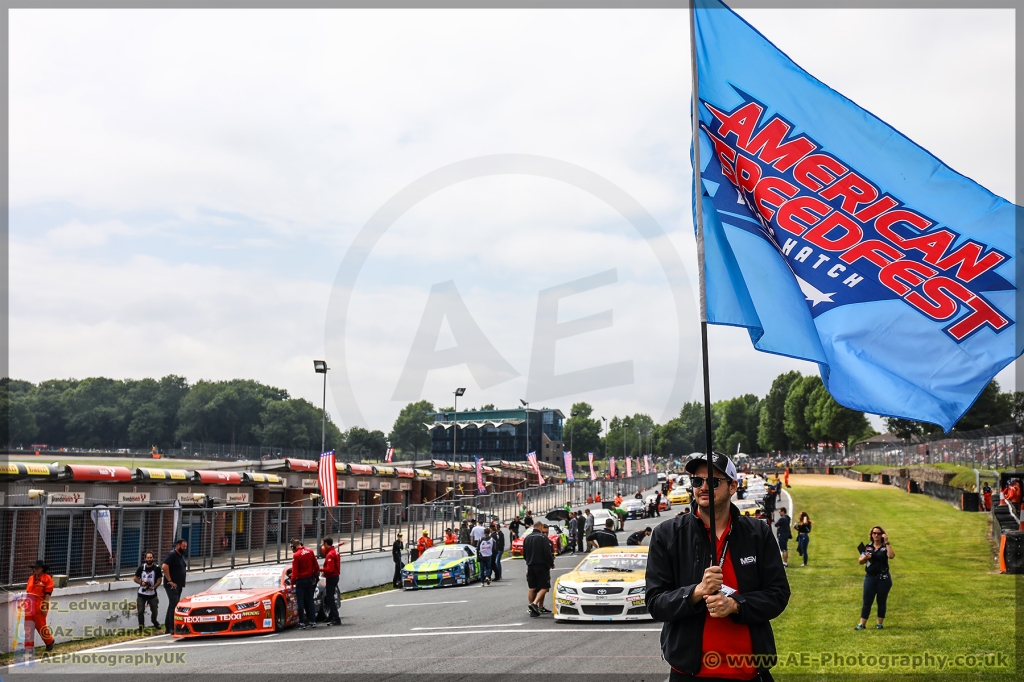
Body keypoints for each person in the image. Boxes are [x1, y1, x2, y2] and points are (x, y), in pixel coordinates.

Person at [646, 453, 790, 681]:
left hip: (749, 672)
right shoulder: (667, 535)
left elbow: (778, 595)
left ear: (732, 486)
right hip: (690, 673)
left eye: (713, 482)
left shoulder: (757, 533)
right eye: (697, 481)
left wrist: (736, 605)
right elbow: (655, 602)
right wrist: (696, 592)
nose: (703, 487)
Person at [857, 526, 895, 630]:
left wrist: (887, 542)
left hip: (884, 578)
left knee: (881, 601)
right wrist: (865, 558)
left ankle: (879, 623)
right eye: (874, 533)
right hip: (870, 577)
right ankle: (862, 624)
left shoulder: (884, 547)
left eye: (878, 533)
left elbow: (891, 556)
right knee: (867, 601)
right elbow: (860, 561)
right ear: (871, 535)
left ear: (882, 535)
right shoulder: (867, 547)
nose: (876, 535)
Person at [523, 522, 554, 617]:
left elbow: (524, 554)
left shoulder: (527, 538)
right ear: (540, 527)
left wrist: (529, 562)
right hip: (542, 565)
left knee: (532, 587)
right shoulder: (542, 537)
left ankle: (533, 609)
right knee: (545, 586)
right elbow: (547, 552)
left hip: (530, 565)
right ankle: (534, 604)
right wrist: (551, 563)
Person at [25, 560, 55, 653]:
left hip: (40, 604)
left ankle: (49, 641)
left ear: (42, 569)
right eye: (34, 568)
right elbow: (28, 592)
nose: (35, 569)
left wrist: (44, 606)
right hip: (29, 605)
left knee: (40, 625)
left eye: (37, 568)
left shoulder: (47, 579)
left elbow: (48, 593)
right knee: (28, 626)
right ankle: (28, 648)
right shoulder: (30, 578)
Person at [290, 539, 319, 629]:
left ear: (293, 547)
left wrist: (291, 582)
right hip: (310, 579)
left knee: (300, 601)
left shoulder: (296, 555)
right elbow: (316, 566)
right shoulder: (310, 551)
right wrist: (314, 577)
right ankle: (313, 621)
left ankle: (302, 622)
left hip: (300, 581)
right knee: (310, 600)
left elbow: (294, 572)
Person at [162, 539, 188, 634]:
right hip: (171, 585)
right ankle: (172, 627)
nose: (185, 548)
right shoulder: (172, 554)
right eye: (183, 546)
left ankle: (168, 627)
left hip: (179, 584)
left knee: (172, 605)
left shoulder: (181, 556)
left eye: (185, 546)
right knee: (174, 604)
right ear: (178, 546)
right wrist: (170, 580)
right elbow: (165, 566)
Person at [133, 551, 163, 632]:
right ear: (145, 558)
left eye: (151, 557)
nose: (149, 559)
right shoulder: (141, 568)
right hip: (141, 593)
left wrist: (154, 587)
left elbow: (160, 580)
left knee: (154, 610)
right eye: (148, 558)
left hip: (152, 594)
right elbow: (135, 578)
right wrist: (141, 583)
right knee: (140, 611)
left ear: (153, 558)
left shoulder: (157, 568)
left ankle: (154, 621)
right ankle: (141, 627)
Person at [321, 537, 341, 626]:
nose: (322, 546)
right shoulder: (335, 552)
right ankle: (331, 615)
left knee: (330, 598)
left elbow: (330, 569)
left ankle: (336, 618)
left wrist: (320, 569)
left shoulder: (330, 554)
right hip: (335, 576)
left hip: (332, 577)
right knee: (330, 597)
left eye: (323, 544)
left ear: (326, 544)